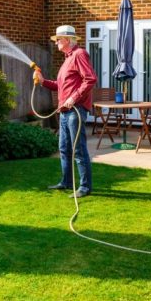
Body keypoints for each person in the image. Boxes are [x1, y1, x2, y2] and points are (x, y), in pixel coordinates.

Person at [34, 25, 97, 198]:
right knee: (64, 148)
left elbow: (90, 79)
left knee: (78, 149)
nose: (56, 43)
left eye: (58, 40)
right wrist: (43, 81)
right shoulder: (67, 58)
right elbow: (61, 85)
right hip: (64, 111)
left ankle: (84, 187)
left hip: (75, 110)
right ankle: (66, 182)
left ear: (68, 40)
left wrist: (74, 98)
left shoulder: (79, 54)